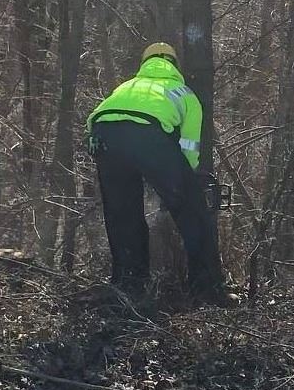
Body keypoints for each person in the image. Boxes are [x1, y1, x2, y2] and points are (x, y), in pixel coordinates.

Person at [86, 42, 238, 306]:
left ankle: (128, 286)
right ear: (175, 65)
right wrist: (182, 186)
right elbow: (189, 147)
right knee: (194, 213)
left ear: (144, 63)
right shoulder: (183, 93)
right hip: (148, 133)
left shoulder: (126, 86)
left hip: (102, 133)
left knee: (123, 216)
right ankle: (208, 290)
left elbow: (96, 117)